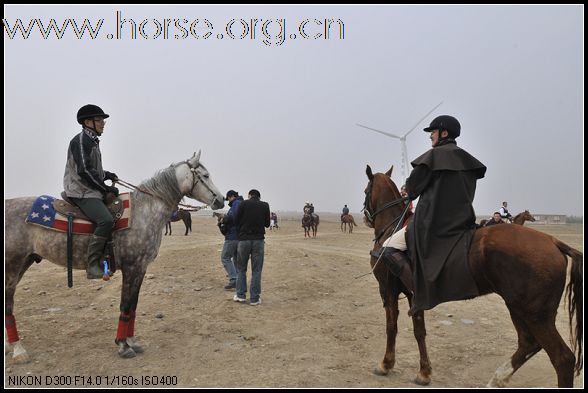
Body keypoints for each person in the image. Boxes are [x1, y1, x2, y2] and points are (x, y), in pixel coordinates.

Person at [375, 115, 486, 314]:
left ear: (444, 133)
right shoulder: (468, 161)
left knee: (388, 248)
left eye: (433, 132)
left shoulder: (432, 158)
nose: (430, 137)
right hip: (462, 222)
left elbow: (412, 189)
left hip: (431, 223)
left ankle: (418, 292)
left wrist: (407, 190)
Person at [63, 104, 119, 279]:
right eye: (99, 120)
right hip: (81, 190)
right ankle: (92, 264)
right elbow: (85, 171)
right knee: (106, 220)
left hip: (90, 188)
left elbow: (94, 170)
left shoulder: (92, 141)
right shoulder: (80, 141)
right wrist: (106, 188)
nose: (103, 123)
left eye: (103, 120)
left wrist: (107, 175)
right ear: (88, 122)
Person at [234, 189, 270, 305]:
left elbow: (236, 220)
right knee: (257, 270)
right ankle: (254, 298)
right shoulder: (265, 205)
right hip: (258, 240)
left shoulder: (243, 204)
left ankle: (240, 295)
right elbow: (267, 224)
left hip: (243, 240)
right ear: (259, 197)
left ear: (249, 195)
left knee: (241, 268)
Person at [220, 190, 243, 290]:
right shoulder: (239, 203)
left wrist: (223, 219)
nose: (228, 200)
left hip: (233, 236)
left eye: (228, 198)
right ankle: (239, 281)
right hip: (238, 236)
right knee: (236, 259)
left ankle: (234, 279)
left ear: (232, 196)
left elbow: (233, 218)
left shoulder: (236, 203)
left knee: (225, 257)